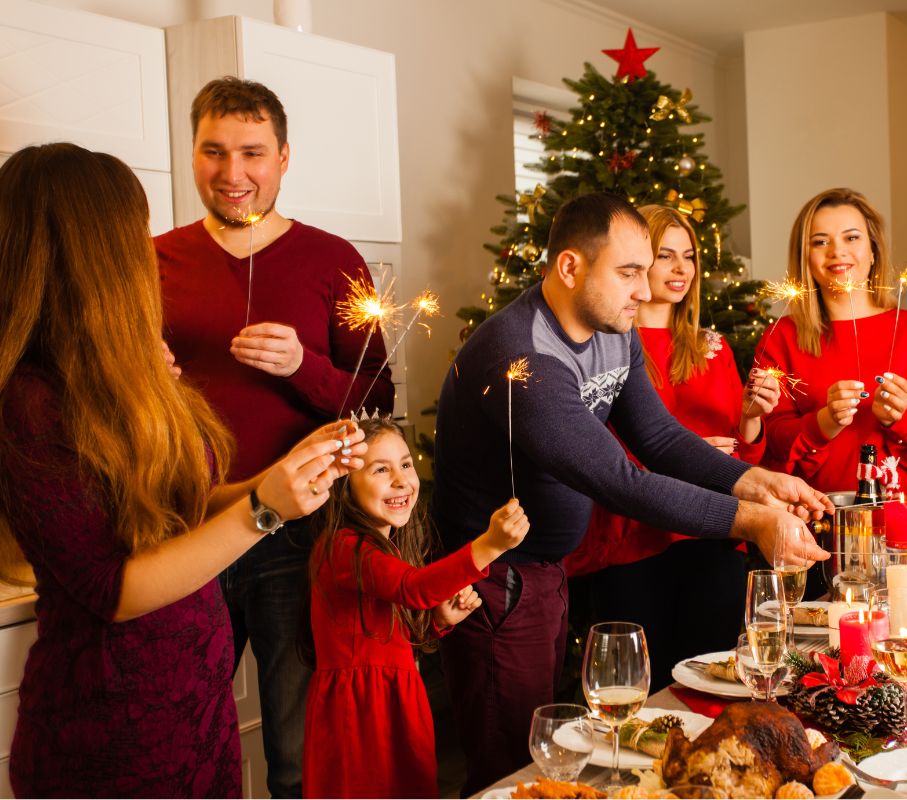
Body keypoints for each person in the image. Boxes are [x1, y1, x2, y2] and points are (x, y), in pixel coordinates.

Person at [433, 192, 832, 794]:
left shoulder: (611, 329)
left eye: (645, 272)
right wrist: (753, 521)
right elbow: (621, 482)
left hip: (546, 573)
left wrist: (759, 480)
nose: (645, 291)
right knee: (507, 769)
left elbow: (658, 436)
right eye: (628, 273)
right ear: (570, 268)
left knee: (537, 764)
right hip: (494, 581)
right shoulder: (522, 357)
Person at [0, 142, 366, 797]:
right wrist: (266, 513)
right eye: (130, 232)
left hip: (192, 701)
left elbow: (178, 507)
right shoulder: (31, 401)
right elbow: (113, 591)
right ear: (93, 250)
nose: (145, 249)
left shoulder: (117, 370)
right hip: (112, 726)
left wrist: (277, 478)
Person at [157, 77, 393, 796]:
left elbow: (378, 396)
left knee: (296, 753)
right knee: (180, 739)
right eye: (213, 152)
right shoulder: (149, 260)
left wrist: (305, 368)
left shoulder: (333, 260)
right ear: (192, 154)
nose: (233, 174)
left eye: (252, 153)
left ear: (284, 157)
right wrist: (141, 374)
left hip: (299, 533)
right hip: (186, 524)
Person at [565, 204, 781, 690]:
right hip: (634, 540)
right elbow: (596, 450)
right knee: (640, 684)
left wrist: (750, 418)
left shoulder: (713, 348)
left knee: (714, 678)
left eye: (689, 256)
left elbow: (742, 461)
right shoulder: (608, 342)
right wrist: (686, 457)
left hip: (710, 541)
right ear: (639, 262)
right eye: (666, 255)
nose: (681, 268)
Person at [302, 416, 529, 798]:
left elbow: (385, 634)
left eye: (406, 464)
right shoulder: (343, 546)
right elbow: (413, 588)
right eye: (380, 469)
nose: (400, 479)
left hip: (398, 703)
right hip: (357, 716)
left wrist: (439, 621)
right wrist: (490, 545)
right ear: (344, 485)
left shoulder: (385, 546)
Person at [757, 188, 907, 573]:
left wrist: (903, 419)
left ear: (872, 250)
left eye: (851, 238)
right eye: (820, 241)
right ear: (805, 258)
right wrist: (822, 424)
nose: (837, 252)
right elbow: (765, 444)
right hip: (815, 535)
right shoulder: (783, 337)